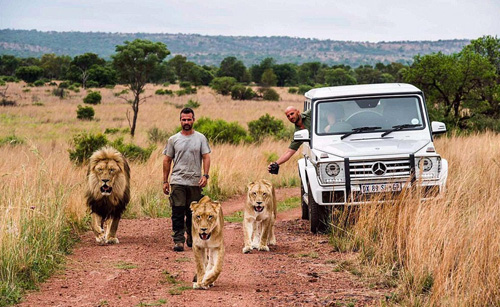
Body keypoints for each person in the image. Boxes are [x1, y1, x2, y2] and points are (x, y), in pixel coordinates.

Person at [163, 108, 211, 252]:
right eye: (184, 119)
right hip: (177, 180)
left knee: (193, 213)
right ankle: (178, 240)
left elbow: (206, 157)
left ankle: (192, 236)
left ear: (193, 120)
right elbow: (167, 160)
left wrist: (205, 175)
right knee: (177, 211)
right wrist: (165, 181)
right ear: (180, 121)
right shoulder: (173, 139)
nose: (186, 122)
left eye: (189, 119)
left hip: (195, 181)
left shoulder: (201, 138)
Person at [267, 106, 311, 172]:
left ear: (298, 112)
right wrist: (276, 164)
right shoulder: (298, 133)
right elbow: (289, 152)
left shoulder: (309, 114)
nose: (290, 117)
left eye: (292, 114)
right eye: (288, 116)